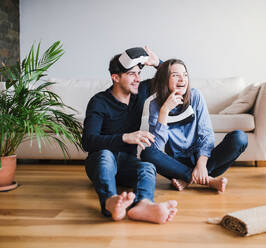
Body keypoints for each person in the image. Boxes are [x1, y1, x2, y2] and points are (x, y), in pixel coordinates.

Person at [82, 47, 177, 224]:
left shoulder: (139, 92)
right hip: (101, 162)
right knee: (105, 154)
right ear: (115, 77)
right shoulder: (99, 101)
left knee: (148, 167)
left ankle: (144, 205)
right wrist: (125, 137)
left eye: (139, 73)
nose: (138, 79)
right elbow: (87, 142)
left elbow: (170, 78)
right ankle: (109, 202)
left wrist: (157, 63)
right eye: (132, 74)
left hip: (127, 163)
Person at [141, 59, 248, 192]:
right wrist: (164, 111)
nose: (182, 79)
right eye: (175, 75)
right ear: (164, 79)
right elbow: (156, 148)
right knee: (147, 153)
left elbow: (206, 133)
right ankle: (207, 180)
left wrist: (201, 164)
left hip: (204, 160)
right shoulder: (155, 106)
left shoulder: (195, 96)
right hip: (176, 165)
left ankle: (188, 178)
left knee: (240, 138)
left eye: (185, 75)